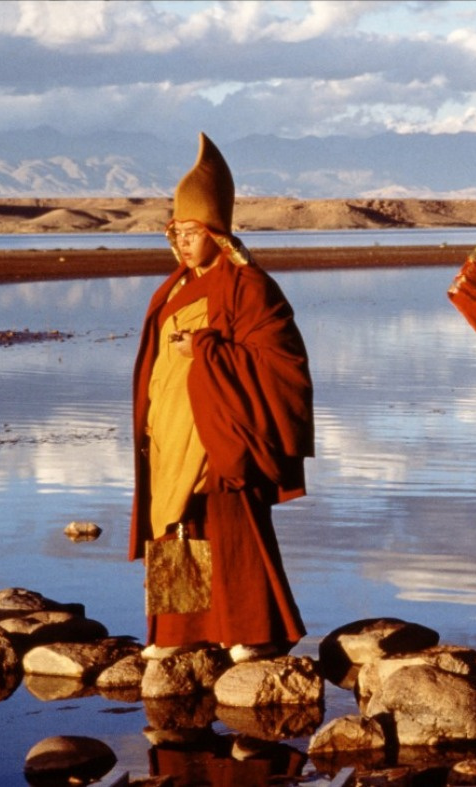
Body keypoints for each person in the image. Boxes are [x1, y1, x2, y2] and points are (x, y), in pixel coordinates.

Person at [129, 133, 313, 663]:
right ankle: (179, 633)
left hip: (222, 433)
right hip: (170, 435)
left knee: (231, 529)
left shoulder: (249, 288)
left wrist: (207, 349)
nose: (183, 243)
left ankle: (252, 632)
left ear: (216, 231)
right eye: (176, 233)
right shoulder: (173, 289)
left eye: (192, 232)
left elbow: (283, 363)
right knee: (178, 527)